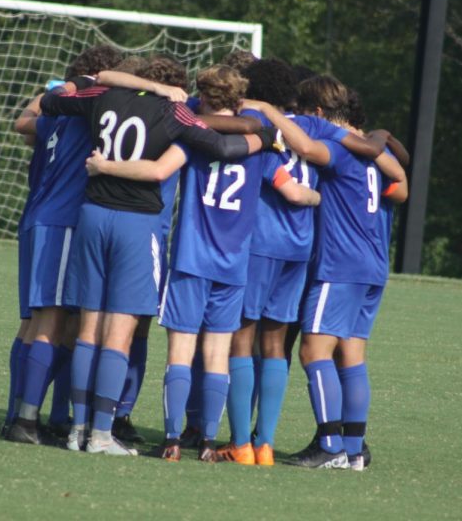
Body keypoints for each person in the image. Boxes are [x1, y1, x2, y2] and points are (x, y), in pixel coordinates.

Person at [39, 56, 277, 456]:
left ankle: (76, 429)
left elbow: (58, 100)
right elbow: (218, 145)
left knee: (87, 329)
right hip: (137, 224)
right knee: (119, 333)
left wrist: (99, 160)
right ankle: (100, 434)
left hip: (92, 215)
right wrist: (267, 136)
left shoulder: (104, 94)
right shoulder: (175, 113)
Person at [84, 65, 320, 462]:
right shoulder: (260, 147)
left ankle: (173, 438)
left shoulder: (192, 138)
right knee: (216, 355)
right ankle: (210, 442)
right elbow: (294, 193)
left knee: (180, 351)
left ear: (204, 96)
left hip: (192, 258)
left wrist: (105, 166)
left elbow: (159, 170)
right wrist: (319, 199)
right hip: (233, 264)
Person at [213, 59, 390, 466]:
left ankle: (245, 444)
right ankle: (269, 443)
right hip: (304, 247)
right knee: (282, 345)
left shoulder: (270, 123)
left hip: (267, 243)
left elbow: (295, 169)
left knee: (248, 340)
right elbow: (396, 175)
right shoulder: (340, 133)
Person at [285, 77, 408, 470]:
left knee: (312, 352)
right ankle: (354, 449)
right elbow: (401, 186)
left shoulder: (339, 149)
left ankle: (329, 446)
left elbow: (306, 148)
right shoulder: (374, 152)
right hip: (373, 266)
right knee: (352, 356)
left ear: (318, 113)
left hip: (341, 266)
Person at [3, 45, 124, 444]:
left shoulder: (51, 115)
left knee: (38, 325)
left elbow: (23, 122)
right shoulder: (89, 117)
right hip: (63, 222)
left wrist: (55, 90)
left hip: (37, 219)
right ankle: (27, 420)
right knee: (52, 325)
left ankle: (21, 415)